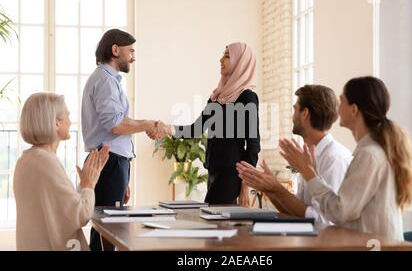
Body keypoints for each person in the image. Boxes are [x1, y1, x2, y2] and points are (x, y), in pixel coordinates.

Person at [273, 76, 412, 240]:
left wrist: (309, 174)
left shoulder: (369, 155)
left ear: (354, 110)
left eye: (342, 100)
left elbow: (339, 212)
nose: (337, 108)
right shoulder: (369, 151)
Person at [150, 42, 260, 205]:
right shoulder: (218, 97)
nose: (221, 60)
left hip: (231, 174)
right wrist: (167, 128)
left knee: (215, 222)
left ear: (240, 62)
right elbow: (196, 129)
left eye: (227, 56)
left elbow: (253, 145)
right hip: (214, 171)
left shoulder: (247, 97)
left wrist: (245, 186)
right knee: (220, 224)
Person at [81, 29, 159, 251]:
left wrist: (124, 178)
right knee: (109, 226)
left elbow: (118, 122)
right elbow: (115, 125)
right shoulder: (105, 81)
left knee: (107, 226)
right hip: (110, 161)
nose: (134, 57)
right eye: (131, 51)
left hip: (113, 161)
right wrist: (148, 125)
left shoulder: (109, 80)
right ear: (115, 50)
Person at [236, 85, 352, 223]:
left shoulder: (334, 159)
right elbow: (295, 210)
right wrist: (268, 189)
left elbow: (323, 220)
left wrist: (276, 188)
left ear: (305, 114)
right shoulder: (310, 155)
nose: (292, 116)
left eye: (295, 109)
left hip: (326, 242)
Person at [14, 93, 110, 251]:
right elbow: (80, 214)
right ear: (56, 123)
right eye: (67, 115)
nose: (70, 121)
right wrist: (88, 185)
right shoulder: (47, 163)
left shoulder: (26, 160)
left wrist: (83, 185)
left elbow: (59, 206)